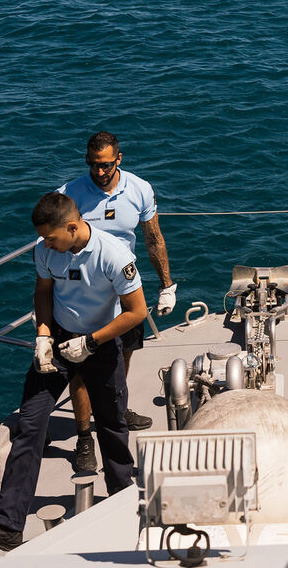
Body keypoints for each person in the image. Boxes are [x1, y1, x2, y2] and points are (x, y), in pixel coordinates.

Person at [0, 192, 147, 553]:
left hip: (100, 344)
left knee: (112, 426)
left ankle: (124, 505)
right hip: (58, 342)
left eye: (50, 237)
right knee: (30, 424)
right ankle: (8, 526)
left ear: (73, 227)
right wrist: (43, 335)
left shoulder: (115, 255)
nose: (45, 244)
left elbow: (136, 311)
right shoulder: (45, 250)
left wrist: (91, 342)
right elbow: (43, 291)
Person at [57, 131, 176, 450]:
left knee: (123, 355)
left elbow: (153, 239)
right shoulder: (68, 195)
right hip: (83, 292)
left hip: (125, 289)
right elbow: (54, 246)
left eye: (107, 165)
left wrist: (167, 285)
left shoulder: (139, 189)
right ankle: (84, 436)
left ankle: (116, 411)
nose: (100, 171)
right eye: (93, 164)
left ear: (119, 159)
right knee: (81, 366)